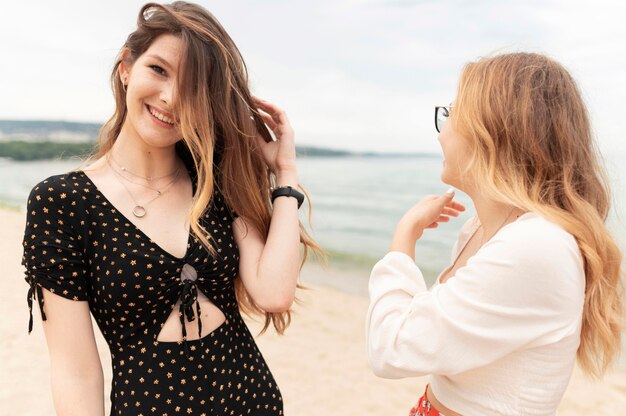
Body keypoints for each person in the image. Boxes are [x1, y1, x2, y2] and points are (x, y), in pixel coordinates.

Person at [22, 2, 320, 415]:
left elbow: (273, 292)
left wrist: (285, 175)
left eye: (195, 88)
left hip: (253, 400)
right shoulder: (63, 203)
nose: (172, 98)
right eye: (158, 70)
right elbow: (76, 371)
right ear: (126, 68)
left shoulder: (214, 177)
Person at [365, 52, 624, 416]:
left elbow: (392, 347)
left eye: (452, 113)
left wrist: (404, 236)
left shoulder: (536, 245)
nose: (443, 129)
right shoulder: (486, 230)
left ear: (492, 132)